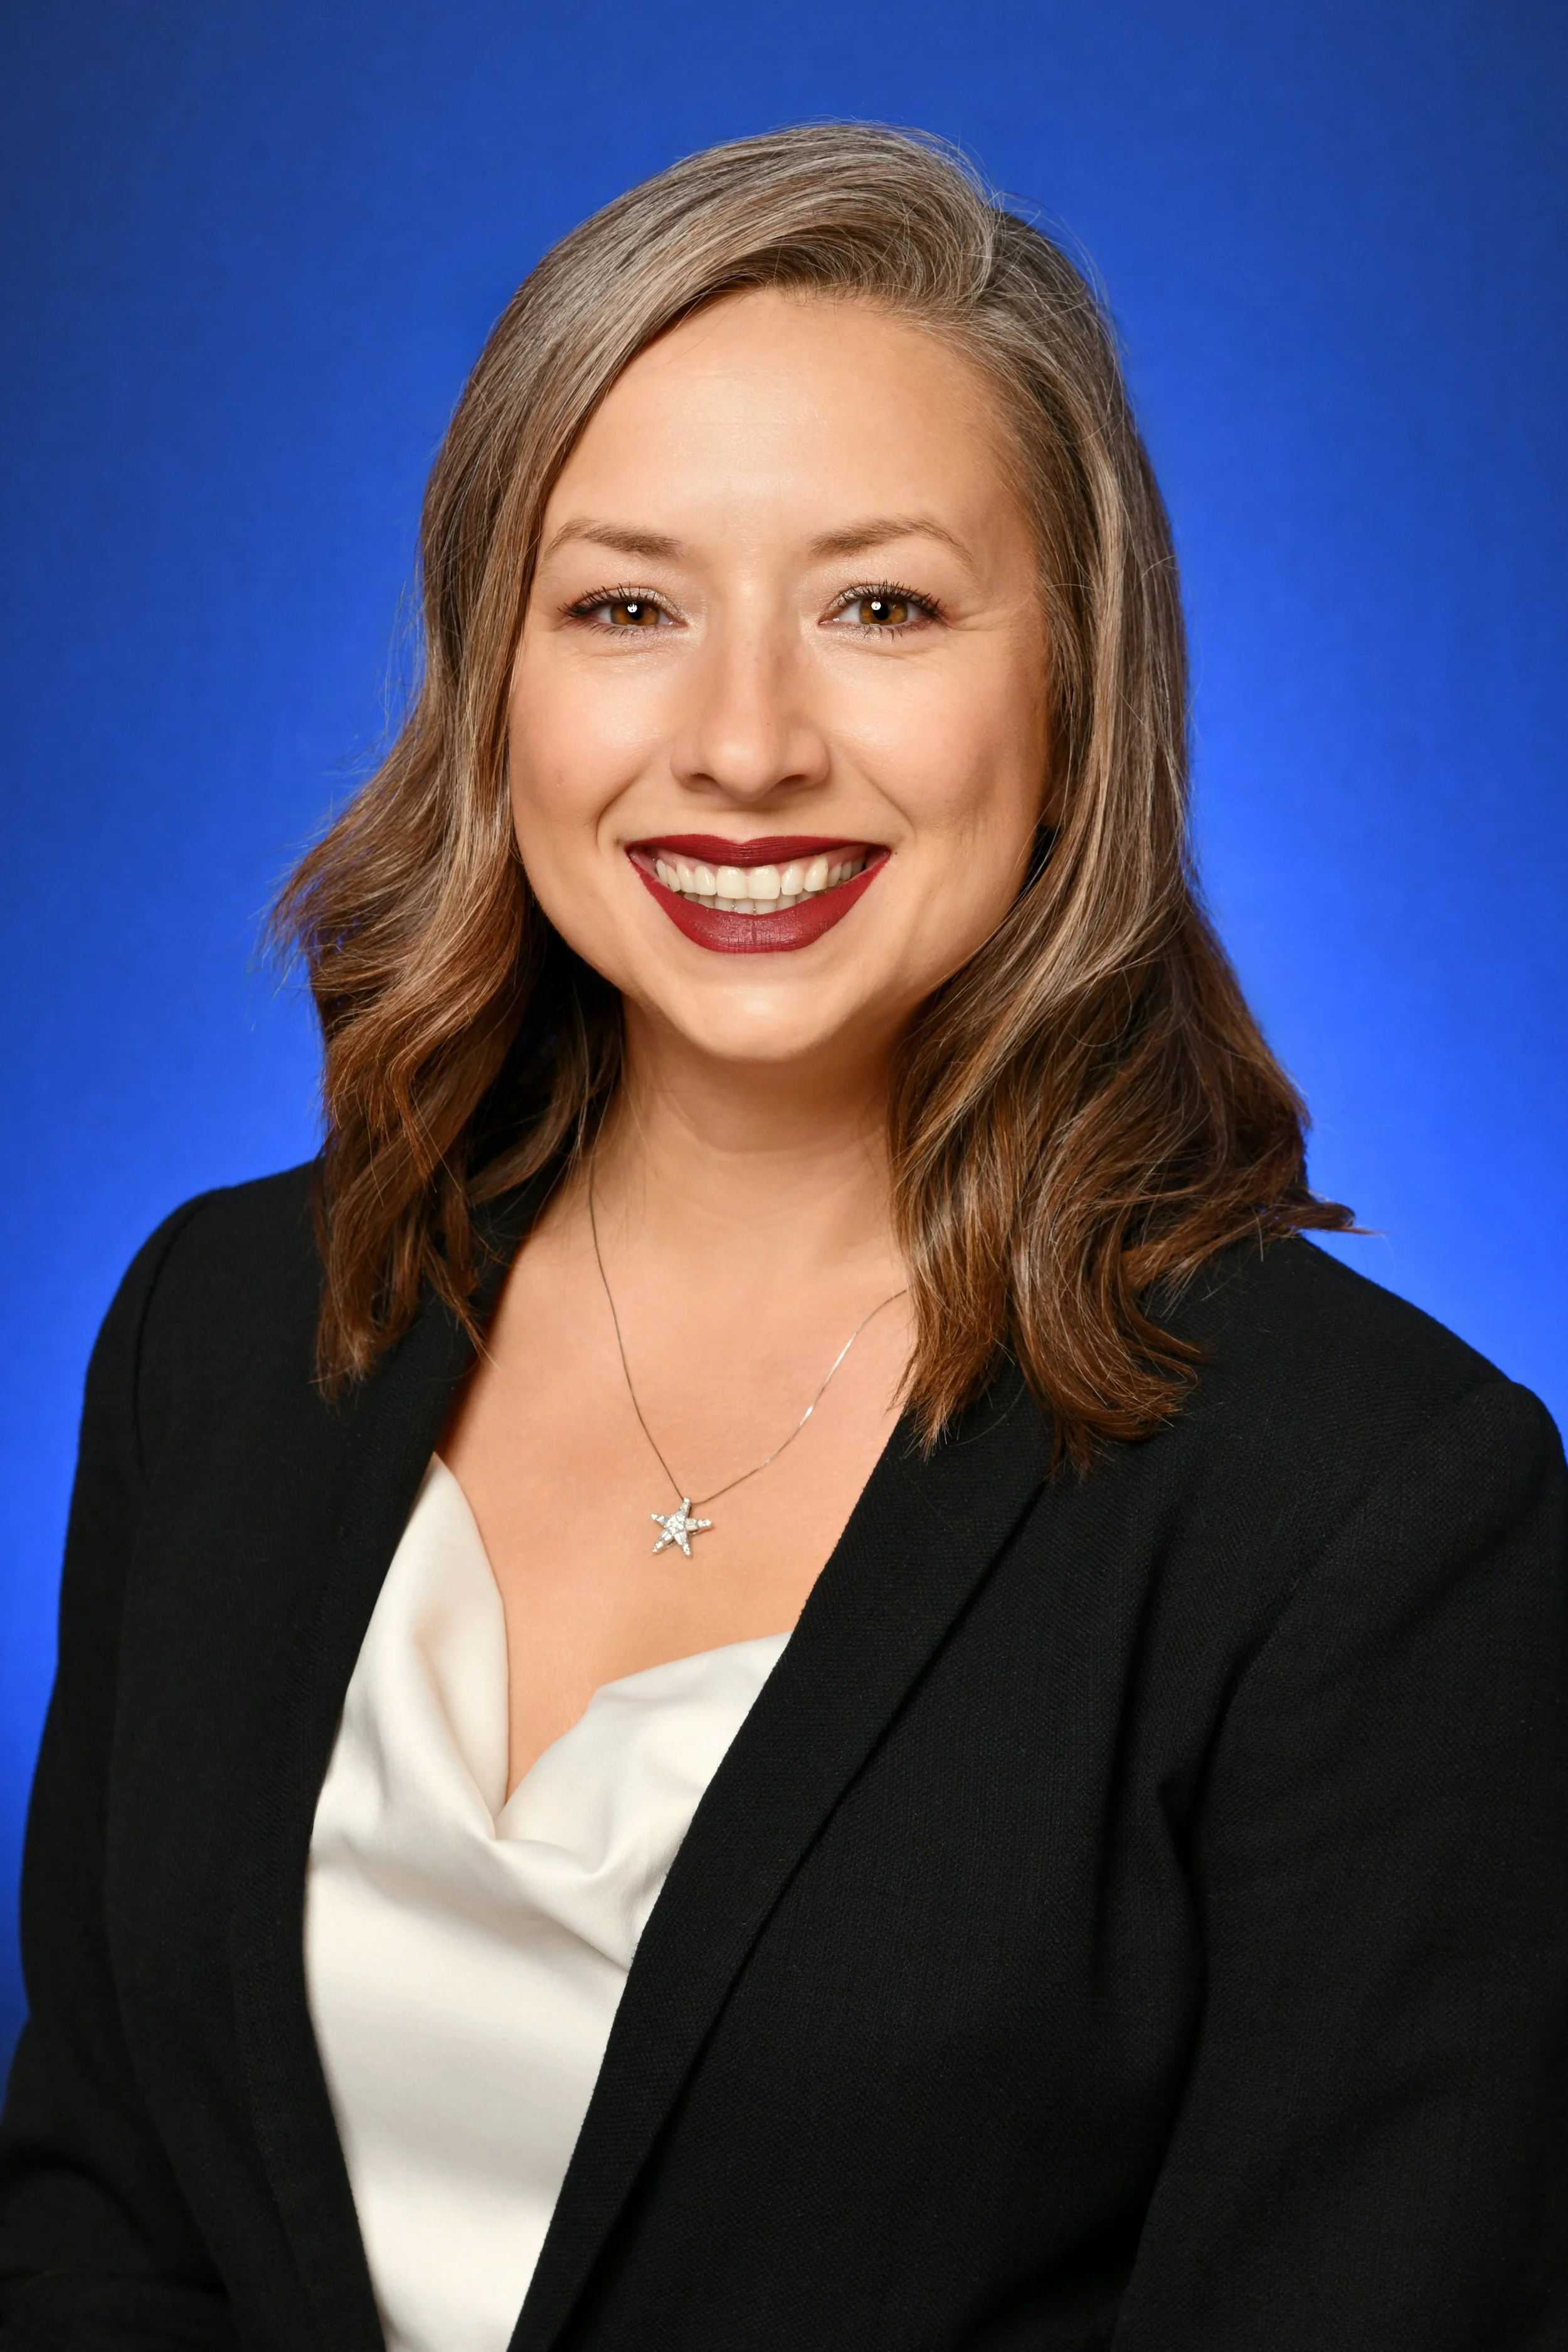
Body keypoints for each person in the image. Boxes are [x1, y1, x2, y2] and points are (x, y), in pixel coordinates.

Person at [1, 122, 1563, 2352]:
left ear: (1073, 688)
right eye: (625, 604)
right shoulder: (224, 1331)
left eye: (882, 605)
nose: (742, 743)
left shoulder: (1378, 1515)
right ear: (494, 681)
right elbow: (88, 2214)